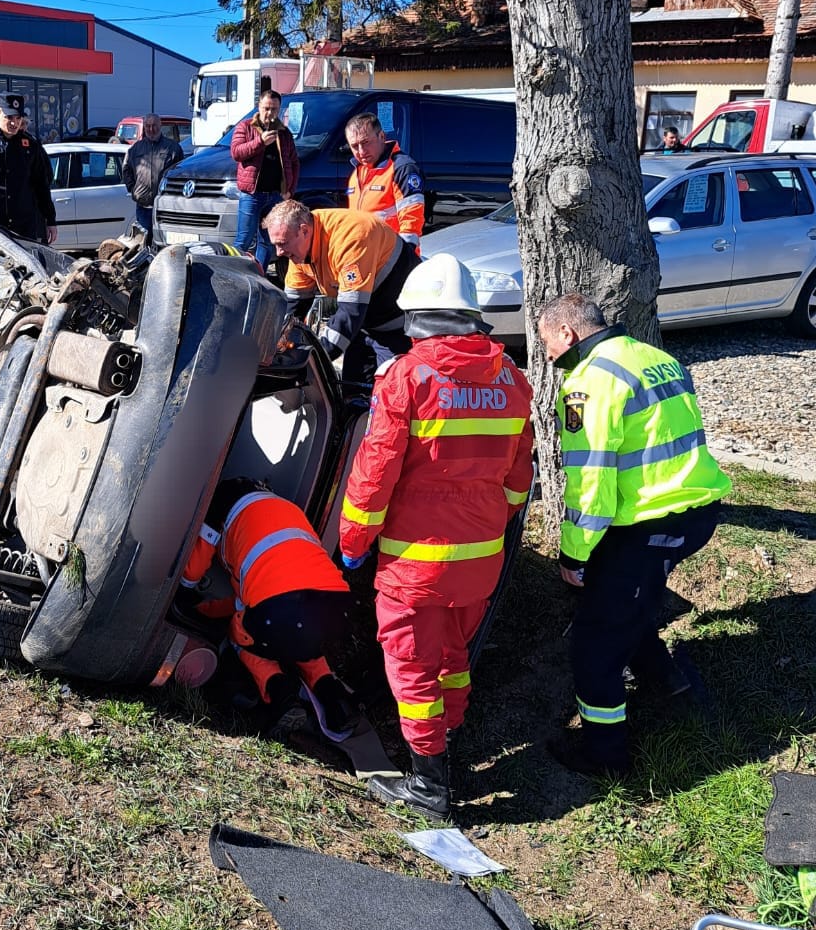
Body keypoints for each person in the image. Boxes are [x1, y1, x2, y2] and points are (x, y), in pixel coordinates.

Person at [340, 255, 534, 821]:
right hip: (481, 560)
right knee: (452, 659)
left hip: (415, 565)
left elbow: (373, 475)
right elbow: (520, 478)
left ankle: (429, 786)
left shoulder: (407, 377)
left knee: (412, 667)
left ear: (416, 318)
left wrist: (354, 542)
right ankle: (446, 744)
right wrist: (497, 524)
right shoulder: (513, 379)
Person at [537, 292, 731, 777]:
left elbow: (591, 481)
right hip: (697, 509)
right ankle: (667, 681)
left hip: (650, 522)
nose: (547, 357)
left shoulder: (589, 383)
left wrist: (573, 554)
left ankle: (604, 757)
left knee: (595, 642)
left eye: (545, 344)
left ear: (567, 333)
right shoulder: (656, 358)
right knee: (624, 597)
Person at [179, 478, 358, 742]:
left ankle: (280, 693)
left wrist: (187, 596)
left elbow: (195, 571)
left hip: (278, 607)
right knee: (305, 638)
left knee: (241, 634)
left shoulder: (218, 502)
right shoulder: (285, 508)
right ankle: (334, 697)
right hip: (334, 604)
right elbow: (256, 593)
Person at [264, 199, 418, 385]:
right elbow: (292, 309)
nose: (279, 252)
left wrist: (316, 360)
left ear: (304, 230)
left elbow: (350, 313)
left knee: (390, 395)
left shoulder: (350, 237)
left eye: (283, 243)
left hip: (398, 327)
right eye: (275, 245)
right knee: (352, 393)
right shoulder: (299, 252)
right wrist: (273, 348)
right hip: (364, 324)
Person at [0, 94, 57, 244]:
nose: (14, 123)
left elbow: (41, 186)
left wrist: (50, 220)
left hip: (24, 225)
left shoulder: (30, 145)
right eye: (9, 118)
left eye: (18, 118)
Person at [231, 91, 300, 267]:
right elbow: (236, 153)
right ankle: (234, 277)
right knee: (243, 241)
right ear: (259, 107)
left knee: (267, 242)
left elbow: (294, 162)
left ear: (279, 109)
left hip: (276, 196)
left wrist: (290, 190)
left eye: (274, 109)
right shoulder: (245, 127)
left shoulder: (284, 133)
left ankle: (258, 277)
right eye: (266, 108)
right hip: (252, 195)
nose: (270, 113)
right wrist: (260, 142)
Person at [344, 112, 426, 248]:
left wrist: (404, 259)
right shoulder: (358, 171)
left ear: (382, 136)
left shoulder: (402, 168)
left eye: (365, 142)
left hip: (393, 259)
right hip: (366, 256)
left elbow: (411, 223)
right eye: (354, 146)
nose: (361, 151)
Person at [121, 113, 183, 235]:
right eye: (148, 126)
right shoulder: (136, 148)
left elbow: (181, 173)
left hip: (166, 207)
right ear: (144, 127)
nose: (151, 129)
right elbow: (126, 168)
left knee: (164, 241)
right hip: (143, 207)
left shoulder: (172, 148)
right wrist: (132, 188)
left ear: (160, 126)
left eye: (154, 125)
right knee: (144, 242)